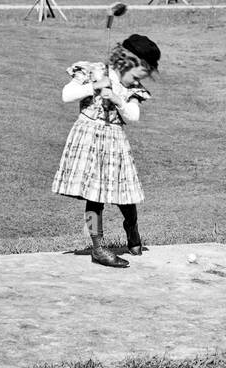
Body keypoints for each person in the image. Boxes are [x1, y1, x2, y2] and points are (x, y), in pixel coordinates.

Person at [52, 34, 161, 268]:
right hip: (88, 139)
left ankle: (131, 227)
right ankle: (98, 247)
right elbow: (66, 95)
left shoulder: (132, 88)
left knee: (126, 195)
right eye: (140, 72)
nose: (140, 78)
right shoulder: (95, 71)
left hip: (115, 141)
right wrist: (94, 86)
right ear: (127, 61)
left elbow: (133, 117)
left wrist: (117, 99)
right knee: (94, 199)